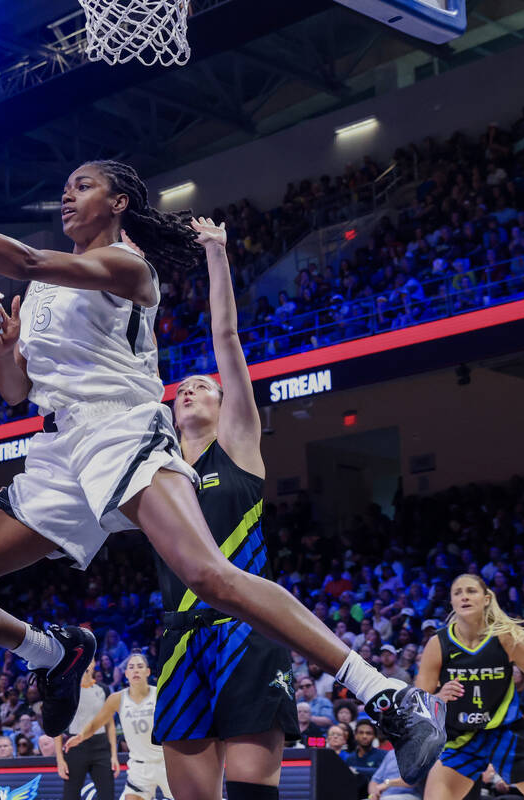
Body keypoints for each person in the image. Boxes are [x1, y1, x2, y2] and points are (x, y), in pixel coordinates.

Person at [0, 163, 445, 783]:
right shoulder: (40, 292)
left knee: (209, 575)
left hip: (119, 426)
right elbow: (14, 392)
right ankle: (53, 651)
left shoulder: (130, 267)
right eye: (65, 186)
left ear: (119, 202)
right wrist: (6, 351)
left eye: (83, 185)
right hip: (57, 451)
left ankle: (384, 693)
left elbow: (27, 261)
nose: (67, 192)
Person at [148, 217, 299, 800]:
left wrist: (215, 252)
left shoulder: (237, 443)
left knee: (252, 794)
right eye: (181, 387)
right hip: (180, 638)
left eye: (203, 386)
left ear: (225, 401)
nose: (189, 389)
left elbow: (226, 339)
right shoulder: (155, 467)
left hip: (248, 631)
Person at [416, 574, 524, 800]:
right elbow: (419, 701)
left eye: (471, 591)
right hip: (461, 739)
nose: (464, 597)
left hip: (505, 735)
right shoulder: (438, 644)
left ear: (486, 598)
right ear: (451, 602)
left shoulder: (505, 639)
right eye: (457, 593)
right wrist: (438, 696)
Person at [66, 652, 170, 800]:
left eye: (140, 666)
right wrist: (81, 736)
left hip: (165, 762)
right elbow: (97, 723)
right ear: (126, 673)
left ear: (148, 672)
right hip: (139, 767)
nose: (135, 670)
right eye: (131, 667)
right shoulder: (117, 699)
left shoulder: (160, 695)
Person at [55, 661, 116, 800]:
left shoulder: (103, 689)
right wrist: (59, 759)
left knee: (107, 795)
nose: (86, 663)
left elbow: (110, 724)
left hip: (101, 747)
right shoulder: (66, 690)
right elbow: (57, 727)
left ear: (94, 664)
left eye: (90, 660)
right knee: (71, 796)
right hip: (75, 747)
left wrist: (114, 755)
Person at [347, 721, 386, 787]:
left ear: (374, 736)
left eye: (368, 733)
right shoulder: (350, 759)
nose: (364, 736)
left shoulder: (384, 755)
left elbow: (382, 772)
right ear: (355, 736)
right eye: (361, 733)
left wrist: (355, 769)